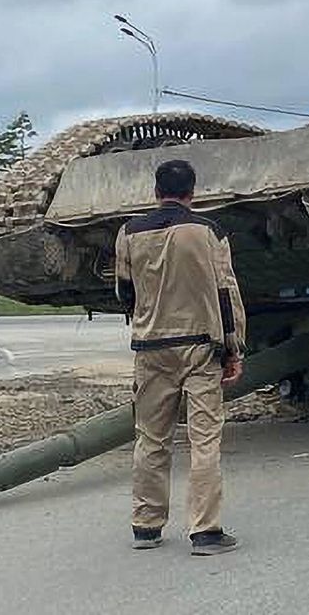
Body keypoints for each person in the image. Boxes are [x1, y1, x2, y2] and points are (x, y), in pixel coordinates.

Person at [115, 159, 246, 554]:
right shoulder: (209, 232)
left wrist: (145, 319)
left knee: (151, 438)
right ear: (193, 193)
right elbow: (226, 294)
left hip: (151, 348)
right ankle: (205, 531)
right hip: (199, 347)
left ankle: (146, 526)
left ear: (155, 192)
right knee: (204, 439)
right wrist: (234, 348)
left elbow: (125, 292)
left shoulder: (128, 233)